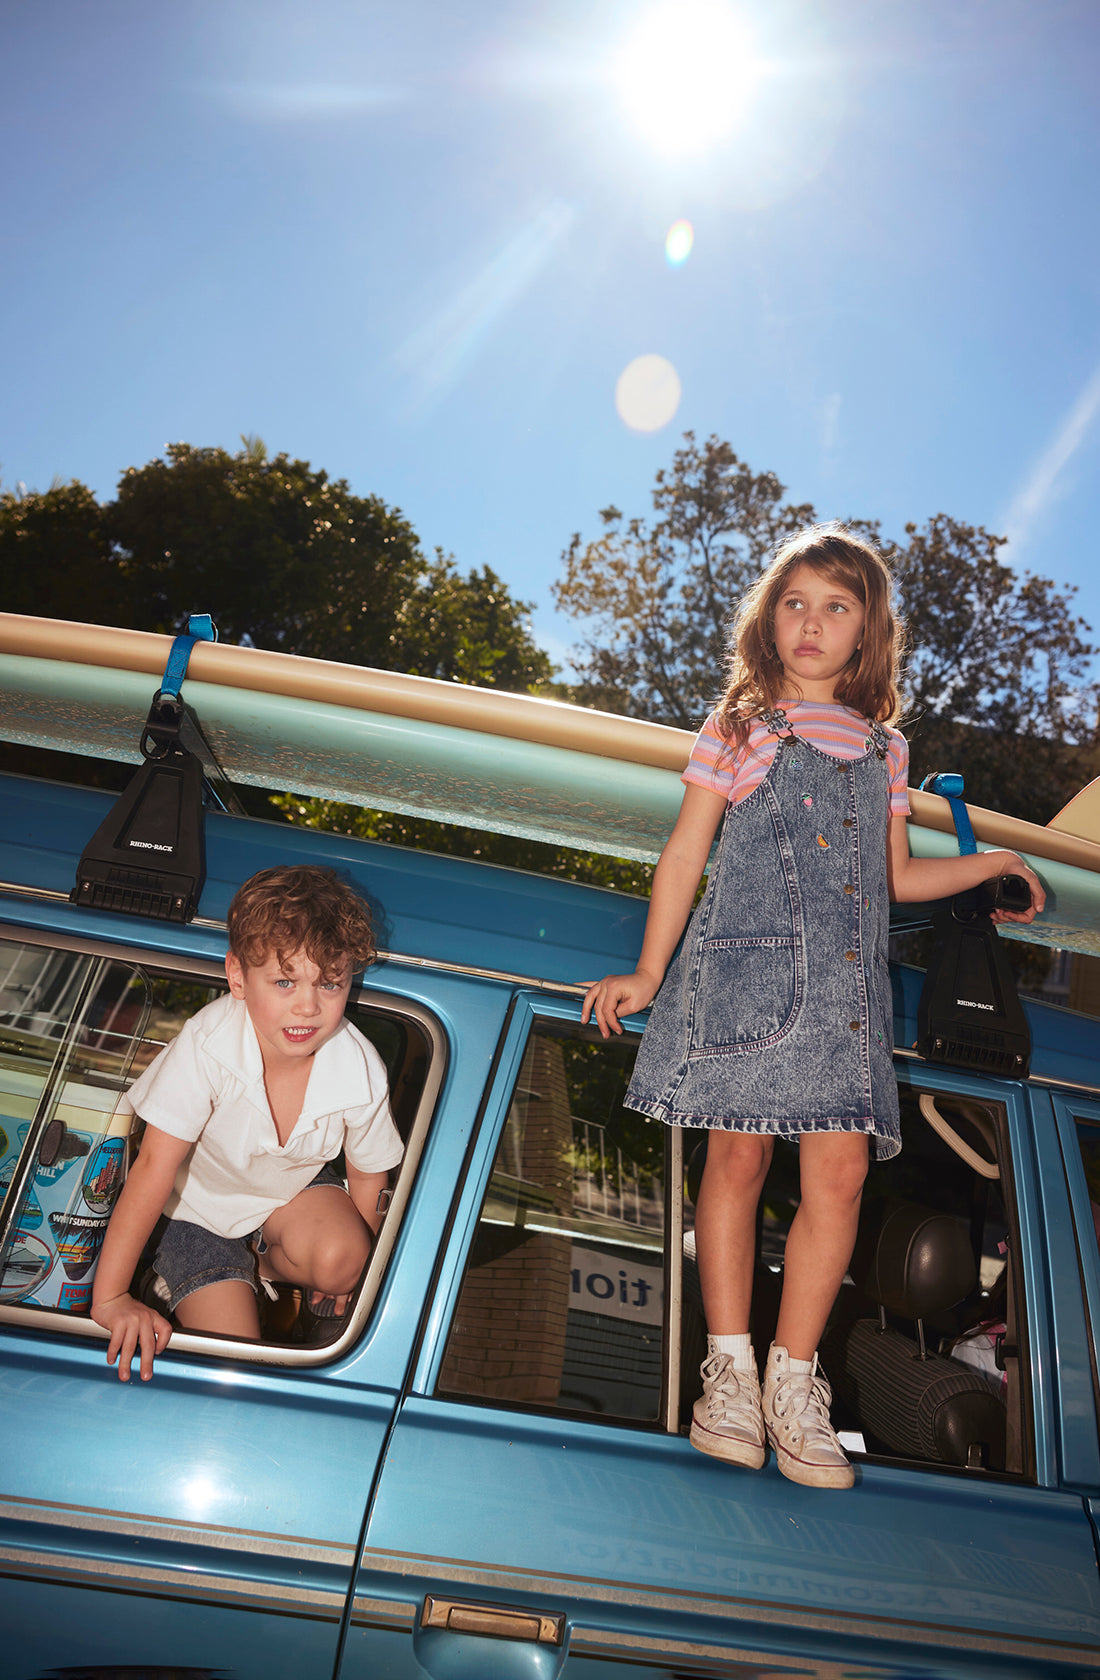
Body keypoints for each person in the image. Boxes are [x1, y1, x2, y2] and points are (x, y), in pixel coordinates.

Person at [582, 524, 1044, 1489]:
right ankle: (732, 1376)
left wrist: (996, 860)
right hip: (746, 975)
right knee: (738, 1155)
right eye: (795, 602)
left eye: (836, 607)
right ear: (769, 618)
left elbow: (896, 875)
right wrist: (649, 971)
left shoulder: (885, 745)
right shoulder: (743, 726)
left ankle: (797, 1385)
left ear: (867, 632)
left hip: (843, 995)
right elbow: (684, 856)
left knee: (837, 1177)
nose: (812, 622)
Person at [91, 864, 404, 1382]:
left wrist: (350, 1279)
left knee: (345, 1257)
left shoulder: (358, 1064)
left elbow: (370, 1177)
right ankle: (174, 1277)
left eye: (330, 984)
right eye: (284, 981)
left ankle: (259, 1268)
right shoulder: (209, 1045)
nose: (307, 1006)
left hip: (288, 1197)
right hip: (194, 1208)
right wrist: (112, 1298)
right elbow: (152, 1169)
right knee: (237, 1362)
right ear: (237, 976)